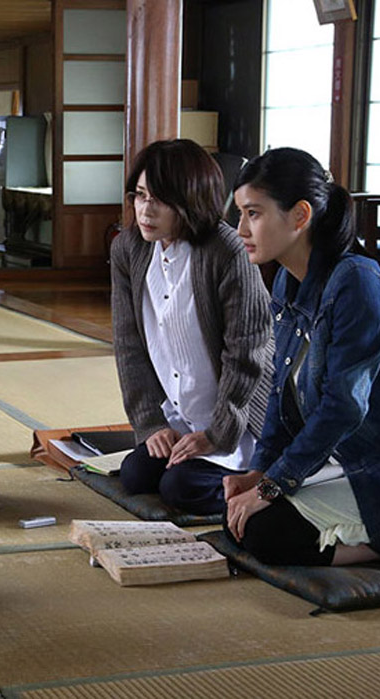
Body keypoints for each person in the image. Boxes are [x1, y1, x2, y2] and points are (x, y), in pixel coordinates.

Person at [225, 147, 380, 567]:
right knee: (237, 514)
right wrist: (261, 474)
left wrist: (272, 488)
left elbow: (343, 406)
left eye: (253, 213)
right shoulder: (286, 281)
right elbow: (280, 398)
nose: (240, 227)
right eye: (241, 213)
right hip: (362, 457)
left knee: (265, 530)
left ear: (300, 216)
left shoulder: (356, 282)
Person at [110, 139, 274, 515]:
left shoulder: (226, 251)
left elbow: (246, 354)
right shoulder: (129, 249)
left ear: (191, 200)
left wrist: (217, 435)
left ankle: (264, 488)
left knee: (180, 488)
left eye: (160, 200)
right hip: (180, 414)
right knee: (136, 475)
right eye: (139, 195)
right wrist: (151, 424)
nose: (145, 210)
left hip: (240, 419)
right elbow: (128, 344)